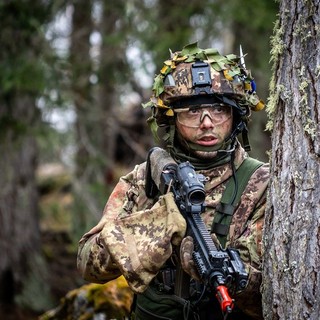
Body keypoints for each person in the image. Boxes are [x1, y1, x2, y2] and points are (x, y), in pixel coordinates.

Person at [77, 42, 269, 320]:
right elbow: (88, 265)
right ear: (171, 119)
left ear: (236, 116)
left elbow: (272, 293)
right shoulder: (145, 178)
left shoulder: (261, 183)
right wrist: (152, 228)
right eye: (191, 112)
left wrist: (223, 270)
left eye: (218, 110)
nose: (206, 123)